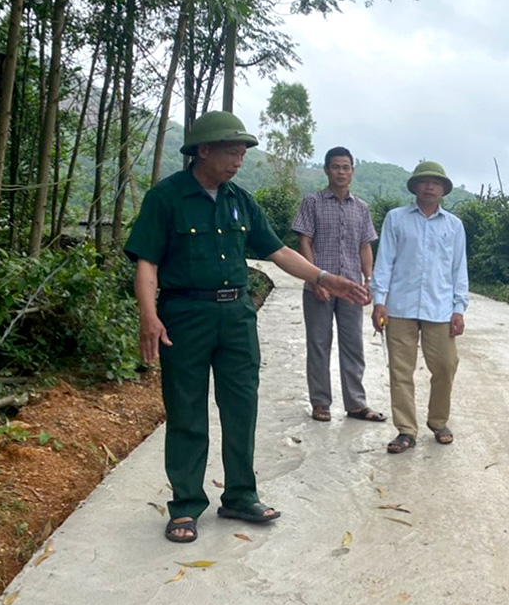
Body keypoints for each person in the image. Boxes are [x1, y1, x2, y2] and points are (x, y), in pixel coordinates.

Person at [125, 111, 370, 543]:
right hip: (185, 315)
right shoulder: (166, 198)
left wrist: (322, 277)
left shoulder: (240, 200)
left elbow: (277, 251)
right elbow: (147, 261)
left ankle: (240, 495)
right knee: (186, 410)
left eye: (242, 154)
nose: (239, 161)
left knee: (242, 408)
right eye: (232, 153)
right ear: (204, 150)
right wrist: (149, 314)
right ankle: (186, 505)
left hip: (237, 316)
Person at [371, 161, 469, 454]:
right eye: (424, 182)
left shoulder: (453, 225)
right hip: (400, 306)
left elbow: (459, 269)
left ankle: (438, 421)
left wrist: (459, 308)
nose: (429, 187)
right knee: (400, 371)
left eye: (435, 183)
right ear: (415, 186)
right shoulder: (396, 219)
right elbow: (384, 261)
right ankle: (406, 430)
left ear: (443, 190)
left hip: (440, 308)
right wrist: (379, 302)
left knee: (446, 365)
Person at [292, 146, 385, 423]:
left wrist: (368, 280)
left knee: (353, 346)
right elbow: (304, 241)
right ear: (326, 170)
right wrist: (314, 278)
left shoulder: (361, 208)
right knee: (319, 345)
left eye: (346, 167)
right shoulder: (312, 202)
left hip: (351, 289)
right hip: (319, 287)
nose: (341, 172)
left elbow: (365, 246)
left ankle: (356, 404)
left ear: (352, 171)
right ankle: (320, 402)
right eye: (335, 167)